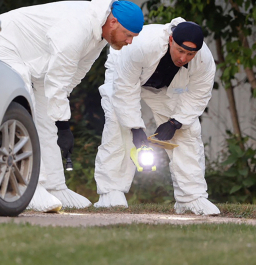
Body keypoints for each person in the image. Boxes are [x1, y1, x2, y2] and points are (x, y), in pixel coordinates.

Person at [0, 0, 144, 212]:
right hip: (0, 42)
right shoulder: (78, 28)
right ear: (113, 22)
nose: (130, 42)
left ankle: (55, 186)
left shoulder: (99, 35)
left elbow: (72, 77)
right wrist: (63, 125)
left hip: (36, 62)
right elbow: (58, 78)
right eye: (128, 35)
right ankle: (31, 186)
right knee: (26, 103)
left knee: (47, 116)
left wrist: (59, 119)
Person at [93, 18, 219, 215]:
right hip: (124, 75)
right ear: (170, 40)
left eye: (190, 54)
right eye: (180, 51)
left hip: (162, 87)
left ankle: (191, 198)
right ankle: (111, 193)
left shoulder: (204, 60)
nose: (184, 58)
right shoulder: (142, 45)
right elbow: (125, 90)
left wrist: (175, 122)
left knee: (188, 131)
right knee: (118, 126)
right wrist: (135, 128)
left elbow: (199, 94)